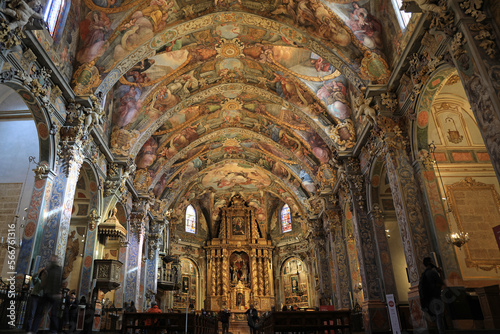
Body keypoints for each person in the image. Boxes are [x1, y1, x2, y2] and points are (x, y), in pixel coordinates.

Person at [419, 257, 446, 334]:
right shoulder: (432, 273)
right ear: (429, 263)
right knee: (439, 316)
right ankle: (441, 332)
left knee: (436, 316)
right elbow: (442, 284)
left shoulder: (424, 274)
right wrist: (440, 272)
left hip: (429, 299)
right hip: (436, 297)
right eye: (432, 262)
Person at [26, 269, 46, 334]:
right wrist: (39, 271)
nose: (44, 275)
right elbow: (34, 277)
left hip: (41, 299)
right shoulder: (38, 280)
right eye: (43, 274)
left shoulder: (46, 283)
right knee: (32, 313)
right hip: (35, 297)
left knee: (38, 315)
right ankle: (28, 329)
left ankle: (34, 330)